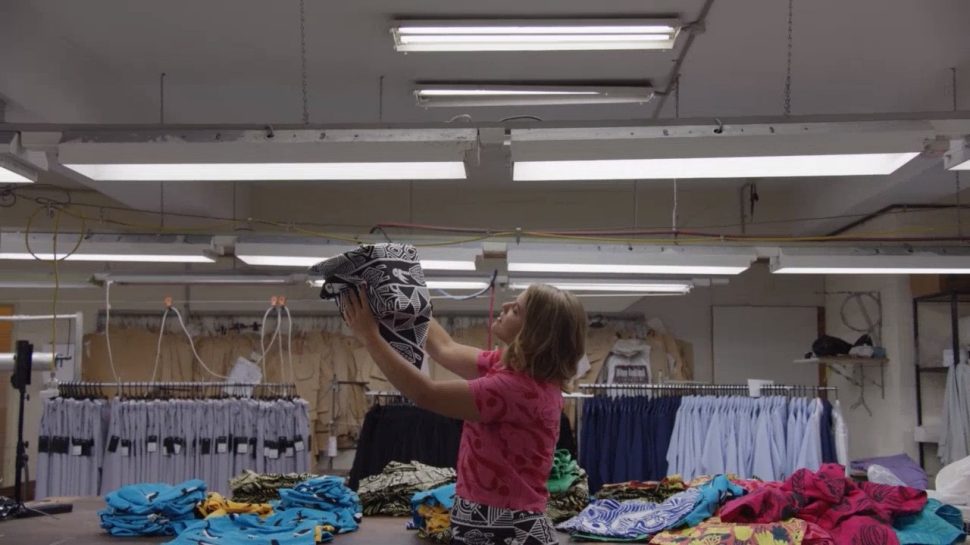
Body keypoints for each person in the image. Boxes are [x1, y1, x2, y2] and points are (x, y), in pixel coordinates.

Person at [341, 282, 587, 545]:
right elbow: (443, 347)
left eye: (516, 310)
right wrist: (404, 297)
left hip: (504, 529)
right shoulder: (514, 371)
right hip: (498, 524)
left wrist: (369, 336)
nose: (504, 307)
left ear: (535, 333)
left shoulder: (514, 389)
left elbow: (426, 394)